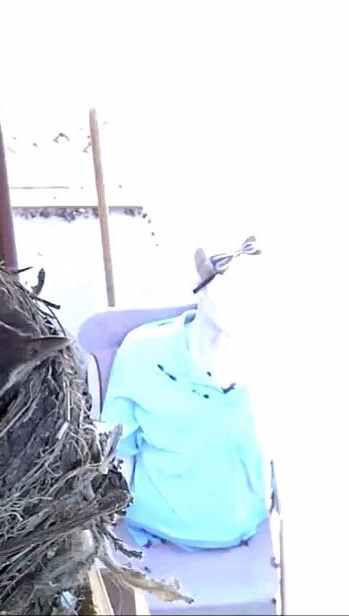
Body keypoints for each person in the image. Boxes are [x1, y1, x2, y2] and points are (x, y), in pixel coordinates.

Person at [101, 236, 269, 550]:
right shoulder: (142, 351)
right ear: (203, 287)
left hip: (246, 526)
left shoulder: (266, 360)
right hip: (158, 530)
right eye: (230, 287)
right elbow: (118, 448)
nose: (241, 302)